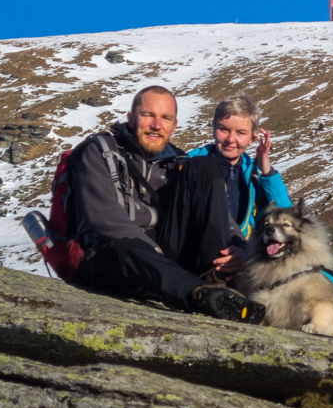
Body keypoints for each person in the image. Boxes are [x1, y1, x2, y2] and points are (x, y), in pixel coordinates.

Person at [71, 85, 264, 323]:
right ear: (131, 118)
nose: (156, 125)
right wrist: (154, 257)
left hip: (163, 261)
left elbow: (218, 213)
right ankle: (199, 295)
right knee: (125, 248)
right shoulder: (100, 150)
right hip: (114, 259)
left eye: (165, 118)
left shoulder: (177, 162)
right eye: (148, 115)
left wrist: (240, 248)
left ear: (174, 126)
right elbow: (103, 217)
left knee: (204, 167)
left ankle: (216, 280)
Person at [186, 92, 292, 238]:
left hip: (241, 253)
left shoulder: (252, 174)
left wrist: (266, 170)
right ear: (214, 128)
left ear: (252, 138)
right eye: (224, 129)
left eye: (240, 133)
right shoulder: (190, 163)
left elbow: (285, 214)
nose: (230, 139)